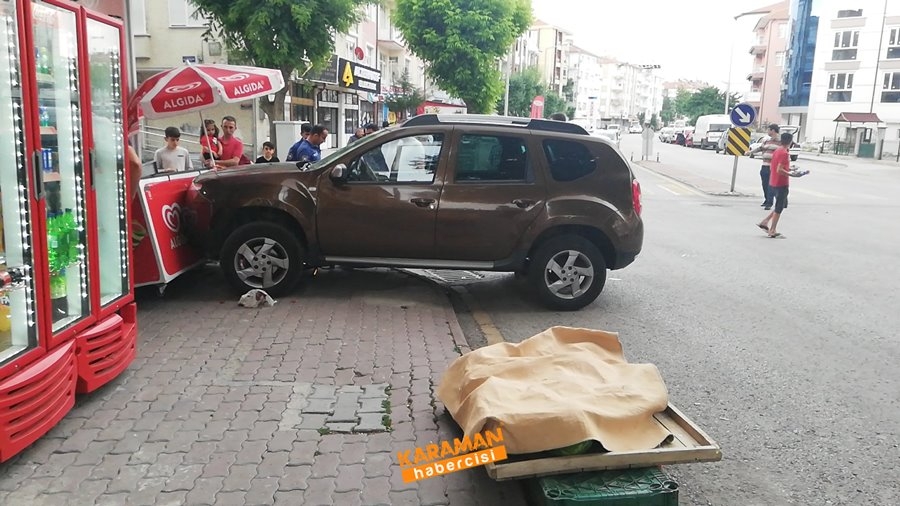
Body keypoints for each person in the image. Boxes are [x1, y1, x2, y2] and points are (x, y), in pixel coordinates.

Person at [757, 132, 801, 238]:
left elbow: (776, 166)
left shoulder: (777, 150)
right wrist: (791, 174)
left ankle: (765, 221)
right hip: (781, 183)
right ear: (790, 142)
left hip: (773, 181)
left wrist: (789, 168)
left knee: (781, 205)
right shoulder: (784, 153)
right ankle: (772, 230)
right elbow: (779, 169)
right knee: (779, 207)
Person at [748, 124, 781, 210]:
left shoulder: (780, 142)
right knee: (765, 184)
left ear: (773, 131)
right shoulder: (767, 141)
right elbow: (760, 148)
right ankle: (767, 199)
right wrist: (750, 152)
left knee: (771, 185)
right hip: (765, 165)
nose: (768, 132)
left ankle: (769, 203)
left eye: (769, 130)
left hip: (773, 167)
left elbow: (784, 153)